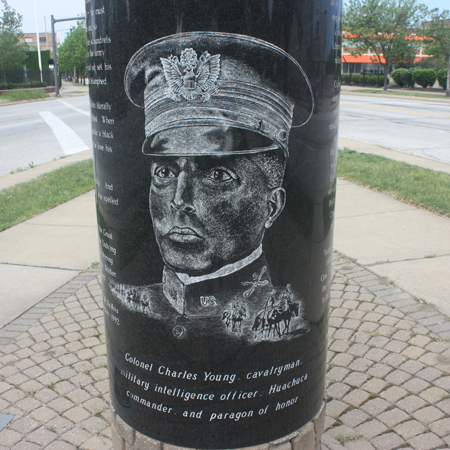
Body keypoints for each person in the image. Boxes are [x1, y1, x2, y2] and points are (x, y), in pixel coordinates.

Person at [110, 32, 313, 341]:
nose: (180, 199)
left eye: (217, 175)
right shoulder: (128, 303)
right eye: (165, 171)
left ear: (271, 206)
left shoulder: (288, 325)